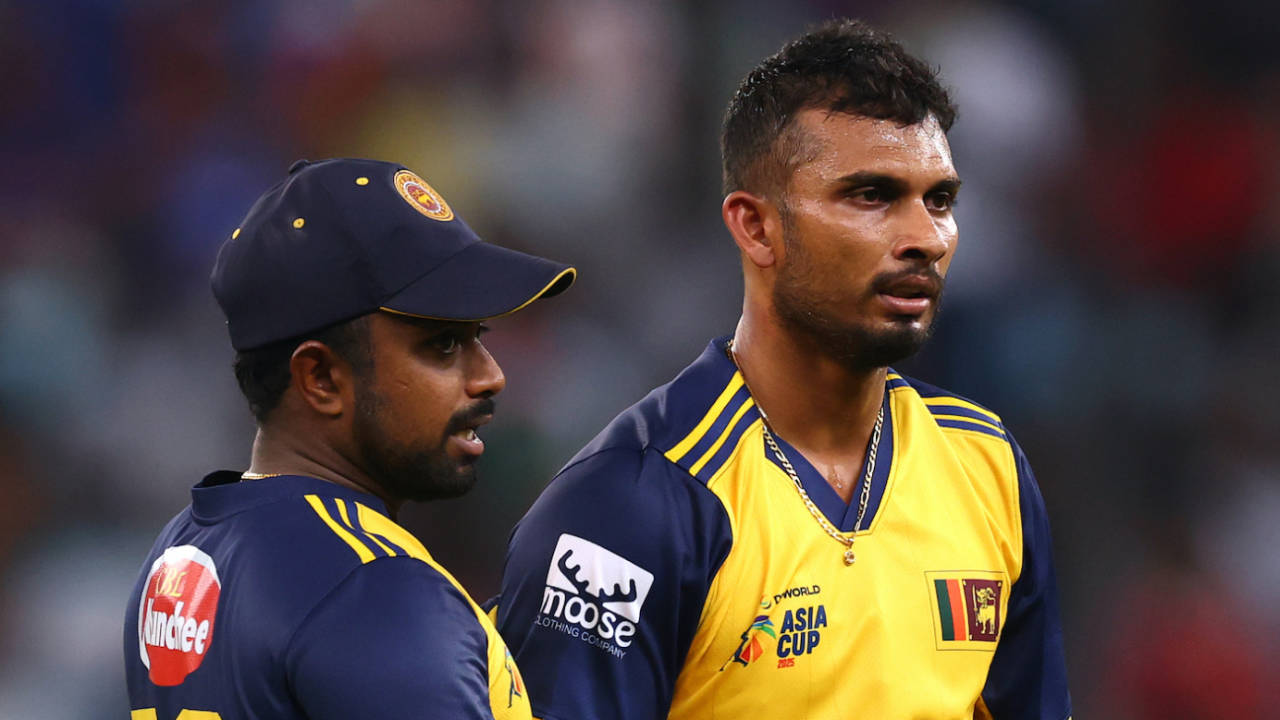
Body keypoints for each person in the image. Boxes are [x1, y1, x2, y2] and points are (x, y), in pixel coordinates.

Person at [493, 19, 1071, 719]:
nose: (924, 238)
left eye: (939, 200)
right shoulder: (629, 505)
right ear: (756, 227)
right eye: (872, 196)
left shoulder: (988, 467)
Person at [123, 157, 575, 720]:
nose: (490, 375)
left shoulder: (178, 554)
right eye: (442, 344)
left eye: (477, 335)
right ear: (320, 378)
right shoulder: (376, 589)